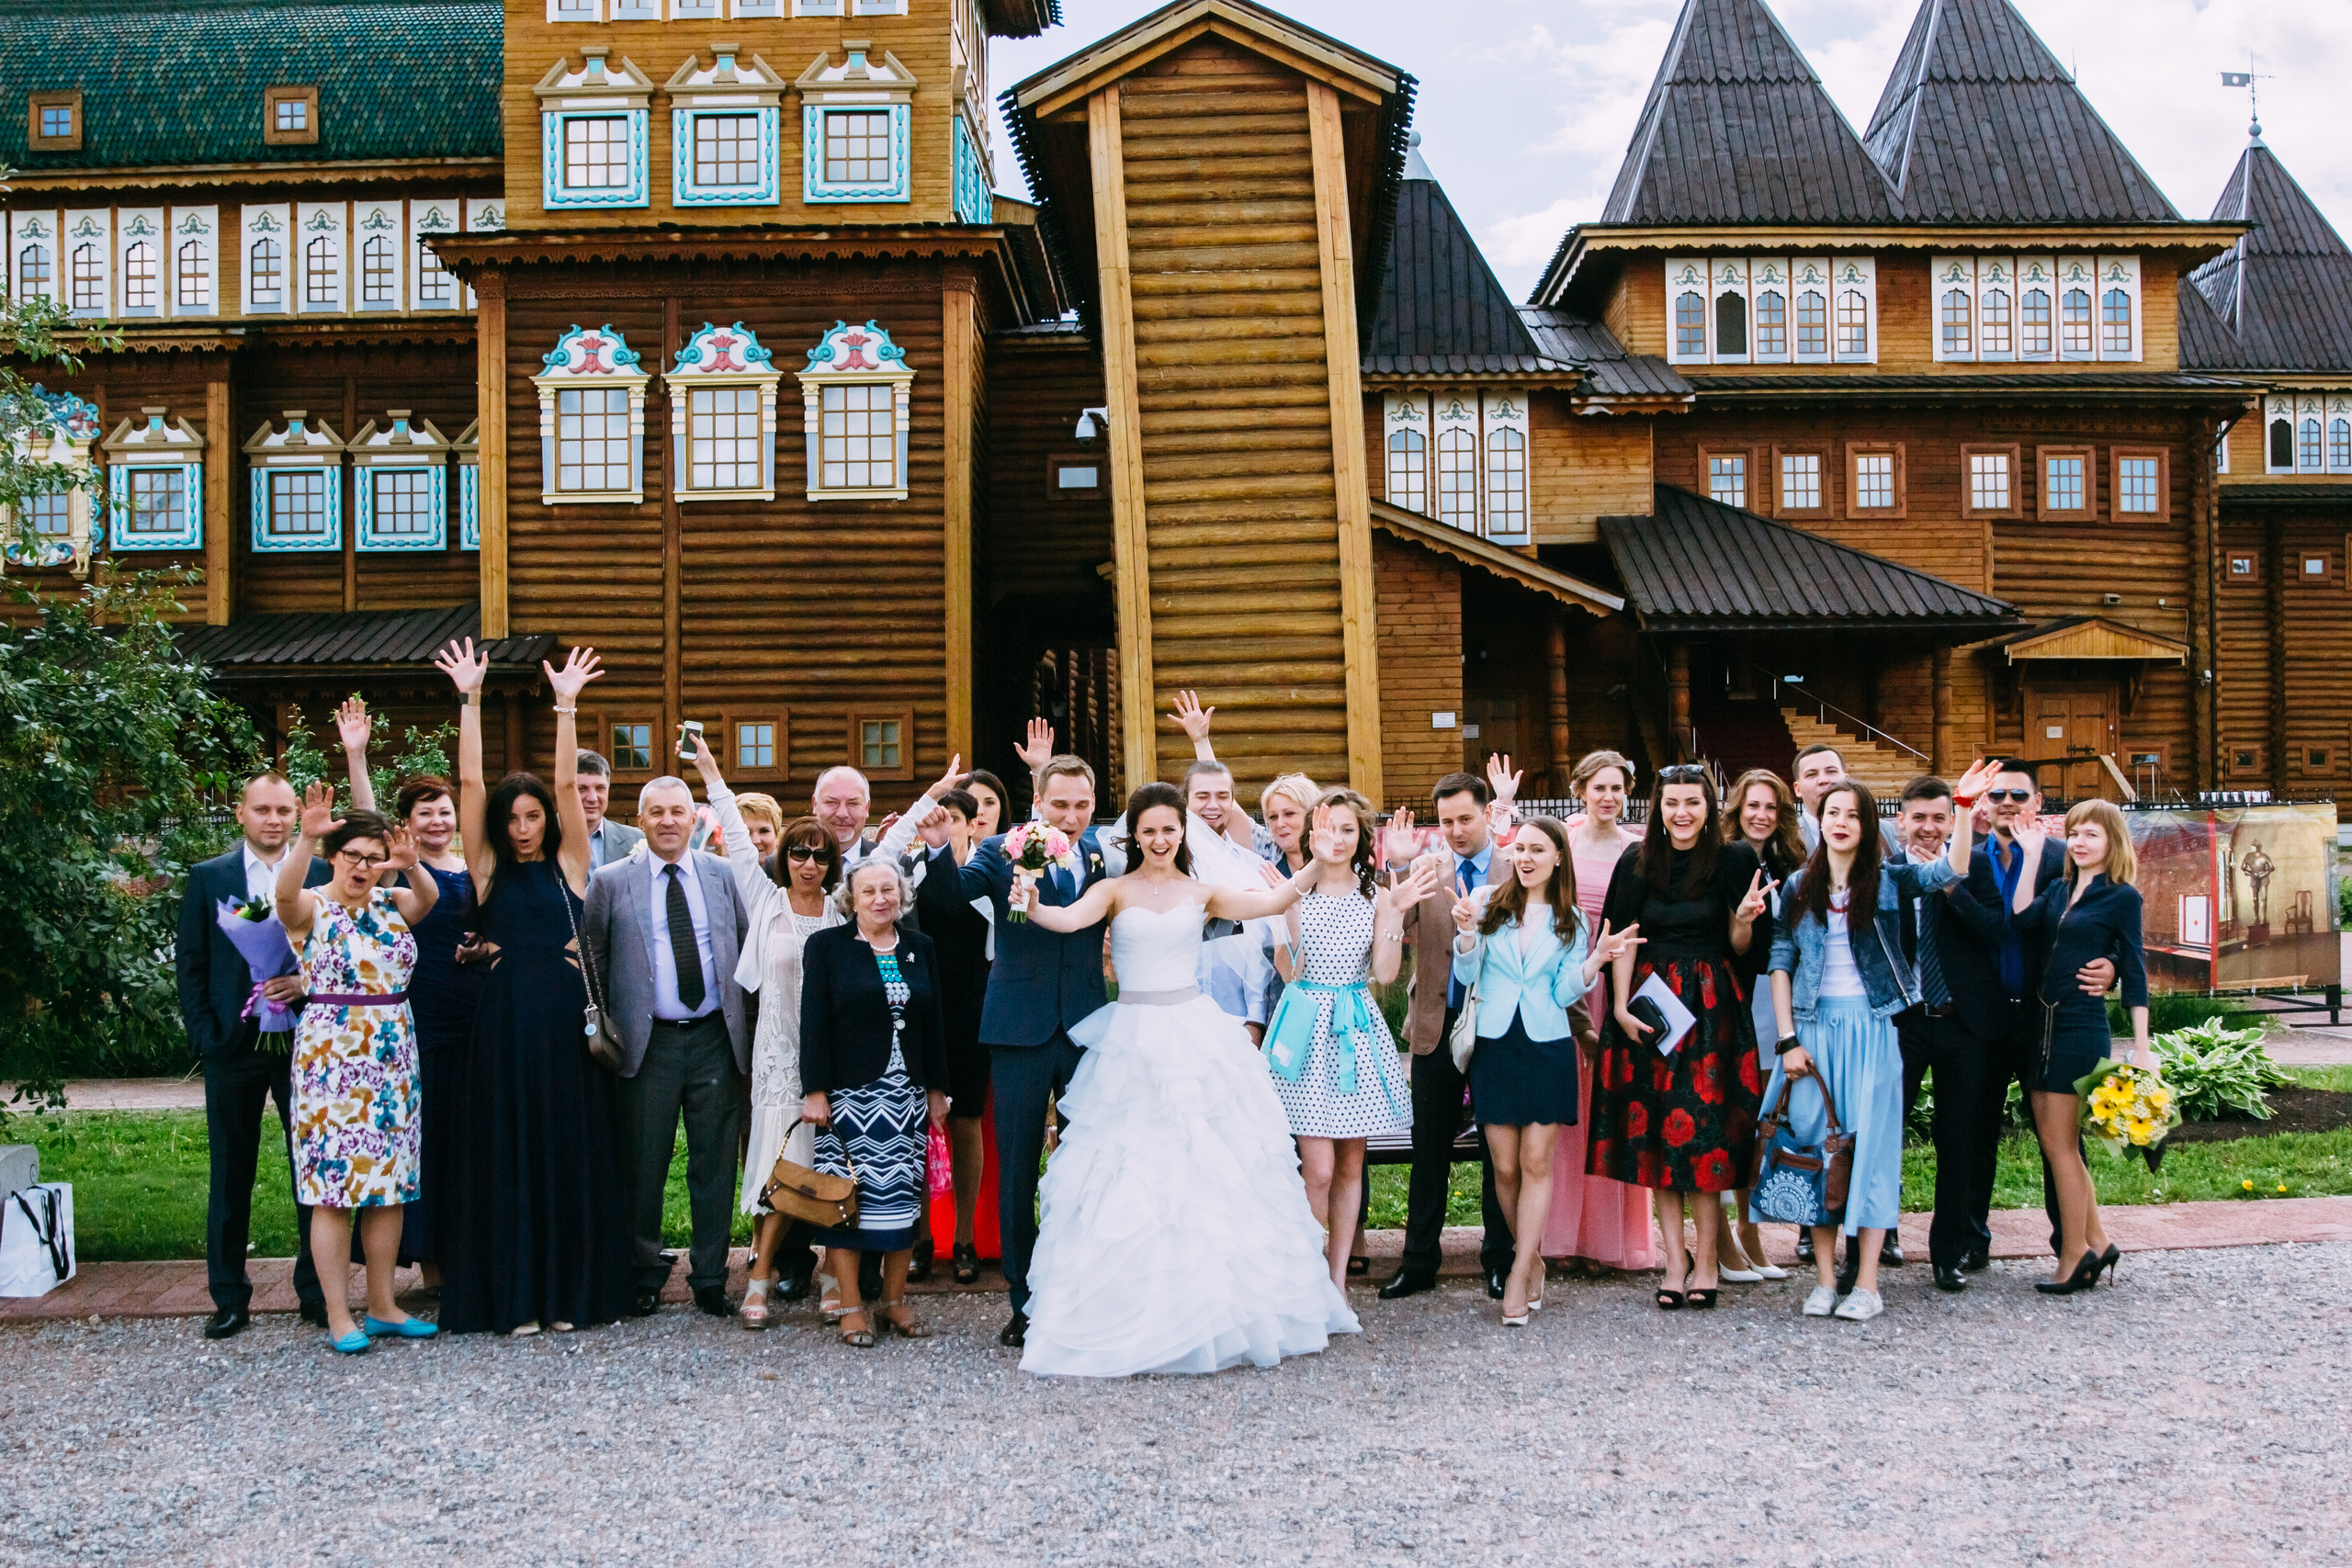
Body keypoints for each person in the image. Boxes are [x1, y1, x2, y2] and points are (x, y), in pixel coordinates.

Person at [1009, 784, 1351, 1376]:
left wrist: (1318, 862)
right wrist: (1029, 900)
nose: (1161, 840)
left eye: (1170, 830)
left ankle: (1219, 1310)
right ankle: (1132, 1306)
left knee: (1208, 1165)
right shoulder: (1113, 890)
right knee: (1132, 1170)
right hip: (1133, 1036)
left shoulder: (1204, 891)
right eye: (1149, 831)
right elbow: (1065, 921)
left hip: (1194, 1031)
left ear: (1181, 834)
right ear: (1134, 836)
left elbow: (1272, 904)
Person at [434, 638, 634, 1337]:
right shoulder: (486, 869)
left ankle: (565, 1297)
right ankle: (514, 1298)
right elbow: (468, 786)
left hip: (565, 1032)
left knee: (564, 1158)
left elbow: (568, 782)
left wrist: (567, 706)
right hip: (504, 1030)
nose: (522, 826)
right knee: (509, 1159)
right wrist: (470, 700)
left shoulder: (571, 864)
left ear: (549, 818)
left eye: (532, 815)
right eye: (512, 817)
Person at [1764, 772, 1984, 1322]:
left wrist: (1959, 806)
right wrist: (1788, 1038)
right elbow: (1780, 961)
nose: (1841, 823)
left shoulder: (1889, 881)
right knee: (1816, 1152)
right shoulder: (1797, 887)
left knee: (1872, 1155)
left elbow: (1951, 868)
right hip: (1812, 1033)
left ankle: (1866, 1284)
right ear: (1820, 820)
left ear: (1868, 826)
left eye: (1853, 815)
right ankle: (1821, 1281)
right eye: (1833, 813)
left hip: (1874, 1029)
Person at [934, 749, 1111, 1349]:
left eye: (1081, 804)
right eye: (1058, 803)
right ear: (1037, 802)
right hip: (1017, 1030)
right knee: (1017, 1170)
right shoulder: (998, 849)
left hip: (1087, 1027)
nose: (1070, 815)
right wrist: (939, 845)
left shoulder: (1099, 851)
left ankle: (1085, 1287)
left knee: (1089, 1164)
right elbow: (953, 894)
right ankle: (1024, 1299)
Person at [1449, 815, 1643, 1324]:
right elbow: (1466, 974)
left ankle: (1517, 1274)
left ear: (1559, 857)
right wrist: (1466, 936)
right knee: (1505, 1168)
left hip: (1546, 1044)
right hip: (1494, 1042)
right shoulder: (1489, 901)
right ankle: (1532, 1256)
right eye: (1521, 849)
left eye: (1539, 850)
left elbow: (1561, 993)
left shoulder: (1573, 919)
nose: (1527, 858)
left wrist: (1596, 960)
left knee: (1536, 1162)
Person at [1590, 763, 1769, 1310]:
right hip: (1651, 1011)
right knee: (1659, 1142)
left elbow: (1747, 949)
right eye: (1672, 803)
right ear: (1658, 808)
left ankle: (1709, 1264)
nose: (1682, 813)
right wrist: (1619, 1007)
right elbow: (1621, 938)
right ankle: (1674, 1264)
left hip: (1713, 1009)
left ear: (1709, 808)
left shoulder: (1736, 859)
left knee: (1706, 1142)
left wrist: (1742, 919)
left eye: (1693, 802)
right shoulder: (1637, 860)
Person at [274, 786, 442, 1352]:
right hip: (332, 1059)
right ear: (334, 856)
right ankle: (339, 1315)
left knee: (389, 1187)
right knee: (334, 1190)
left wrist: (410, 866)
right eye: (354, 856)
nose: (365, 868)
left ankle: (385, 1306)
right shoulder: (313, 905)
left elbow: (430, 898)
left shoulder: (390, 904)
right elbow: (282, 897)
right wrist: (307, 835)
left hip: (393, 1052)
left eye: (374, 858)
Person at [583, 764, 752, 1322]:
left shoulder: (722, 875)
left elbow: (745, 949)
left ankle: (709, 1276)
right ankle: (643, 1273)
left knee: (714, 1163)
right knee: (644, 1162)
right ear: (641, 819)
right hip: (646, 1042)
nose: (667, 821)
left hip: (713, 1038)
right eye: (656, 812)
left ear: (693, 818)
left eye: (677, 811)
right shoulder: (609, 881)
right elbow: (596, 960)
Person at [1262, 789, 1443, 1291]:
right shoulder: (1294, 891)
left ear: (1362, 837)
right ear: (1310, 834)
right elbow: (1290, 970)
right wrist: (1293, 907)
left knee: (1350, 1165)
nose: (1337, 839)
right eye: (1327, 828)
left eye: (1348, 830)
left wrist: (1394, 915)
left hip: (1356, 1028)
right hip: (1304, 1027)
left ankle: (1336, 1280)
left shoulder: (1378, 893)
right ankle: (1302, 1275)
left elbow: (1384, 976)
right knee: (1316, 1168)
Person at [175, 771, 334, 1339]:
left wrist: (307, 986)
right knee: (231, 1171)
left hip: (305, 1041)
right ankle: (229, 1296)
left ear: (296, 816)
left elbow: (338, 951)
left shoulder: (321, 874)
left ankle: (317, 1291)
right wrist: (206, 1034)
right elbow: (191, 963)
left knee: (311, 1170)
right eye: (262, 810)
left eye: (284, 811)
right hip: (233, 1046)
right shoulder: (210, 877)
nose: (274, 820)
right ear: (240, 813)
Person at [337, 703, 485, 1287]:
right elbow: (367, 819)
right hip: (418, 1017)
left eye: (445, 813)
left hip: (475, 1012)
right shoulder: (394, 871)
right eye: (425, 815)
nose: (438, 823)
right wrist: (356, 755)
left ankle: (471, 1249)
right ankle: (429, 1263)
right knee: (425, 1139)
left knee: (468, 1140)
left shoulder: (475, 864)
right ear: (407, 823)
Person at [1376, 764, 1517, 1303]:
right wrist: (1397, 870)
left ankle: (1500, 1261)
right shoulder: (1426, 869)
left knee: (1496, 1152)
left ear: (1487, 814)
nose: (1457, 830)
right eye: (1446, 821)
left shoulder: (1514, 866)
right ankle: (1418, 1262)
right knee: (1429, 1148)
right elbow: (1395, 928)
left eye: (1466, 818)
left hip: (1500, 1028)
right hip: (1436, 1026)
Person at [1967, 761, 2116, 1267]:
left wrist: (2113, 966)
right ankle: (1972, 1244)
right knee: (1977, 1135)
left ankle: (2074, 1245)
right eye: (1998, 795)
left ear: (2039, 804)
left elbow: (2108, 917)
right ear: (1985, 804)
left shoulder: (2063, 859)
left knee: (2059, 1141)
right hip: (1984, 1019)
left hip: (2046, 1018)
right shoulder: (1967, 862)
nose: (2007, 802)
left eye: (2019, 795)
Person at [797, 857, 951, 1347]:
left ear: (902, 896)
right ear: (851, 899)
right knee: (846, 1204)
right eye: (869, 892)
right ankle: (849, 1306)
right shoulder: (827, 948)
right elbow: (813, 1022)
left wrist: (936, 1090)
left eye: (889, 890)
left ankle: (894, 1301)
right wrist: (815, 1090)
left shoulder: (920, 947)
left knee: (902, 1203)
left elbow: (933, 1026)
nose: (880, 899)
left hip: (905, 1099)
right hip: (847, 1099)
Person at [2008, 799, 2150, 1295]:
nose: (2081, 841)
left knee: (2062, 1147)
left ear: (2113, 841)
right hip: (2040, 1026)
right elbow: (2021, 915)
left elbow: (2134, 970)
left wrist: (2143, 1047)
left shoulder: (2121, 897)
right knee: (2055, 1145)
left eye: (2092, 833)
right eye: (2074, 833)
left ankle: (2074, 1254)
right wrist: (2029, 855)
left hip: (2079, 1026)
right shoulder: (2058, 888)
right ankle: (2097, 1239)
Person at [1886, 774, 2009, 1292]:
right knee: (1884, 1136)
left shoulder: (1975, 865)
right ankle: (1876, 1237)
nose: (1930, 827)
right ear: (1902, 821)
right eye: (1920, 817)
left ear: (1952, 821)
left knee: (1958, 1140)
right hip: (1905, 1022)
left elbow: (1996, 931)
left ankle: (1948, 1252)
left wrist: (1952, 886)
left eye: (1941, 818)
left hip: (1962, 1021)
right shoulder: (1887, 874)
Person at [1548, 749, 1658, 1278]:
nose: (1609, 797)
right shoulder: (1563, 842)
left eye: (1618, 788)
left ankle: (1606, 1240)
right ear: (1581, 790)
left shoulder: (1638, 850)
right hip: (1566, 985)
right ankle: (1562, 1235)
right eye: (1600, 788)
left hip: (1617, 984)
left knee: (1609, 1109)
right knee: (1567, 1112)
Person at [1716, 766, 1805, 1282]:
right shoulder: (1721, 860)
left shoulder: (1790, 863)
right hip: (1731, 998)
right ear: (1736, 809)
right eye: (1752, 806)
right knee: (1728, 1119)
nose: (1761, 815)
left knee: (1758, 1124)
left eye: (1771, 807)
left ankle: (1751, 1234)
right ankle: (1724, 1239)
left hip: (1776, 1002)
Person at [910, 781, 998, 1286]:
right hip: (920, 1010)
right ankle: (922, 1237)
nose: (942, 826)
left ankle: (964, 1236)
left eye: (954, 820)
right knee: (916, 1123)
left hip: (970, 1010)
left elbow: (958, 905)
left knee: (965, 1120)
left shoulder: (983, 876)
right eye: (934, 820)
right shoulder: (909, 872)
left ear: (970, 826)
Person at [576, 750, 645, 869]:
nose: (592, 798)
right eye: (582, 789)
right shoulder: (545, 840)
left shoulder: (636, 840)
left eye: (600, 788)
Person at [1792, 743, 1846, 850]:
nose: (1823, 780)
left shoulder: (1883, 831)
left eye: (1831, 771)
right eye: (1811, 774)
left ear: (1847, 780)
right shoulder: (1782, 841)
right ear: (1798, 789)